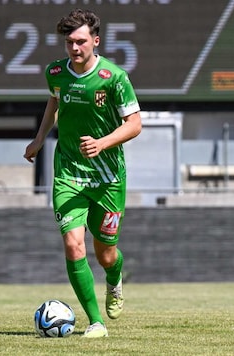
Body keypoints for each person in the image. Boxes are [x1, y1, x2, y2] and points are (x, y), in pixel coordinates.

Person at [24, 9, 142, 338]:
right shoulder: (56, 72)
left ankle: (115, 280)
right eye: (69, 42)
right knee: (74, 246)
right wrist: (39, 139)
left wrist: (103, 143)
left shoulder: (115, 77)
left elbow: (135, 124)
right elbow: (54, 101)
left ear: (95, 41)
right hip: (69, 173)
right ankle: (96, 322)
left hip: (108, 179)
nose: (74, 48)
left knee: (106, 254)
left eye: (80, 41)